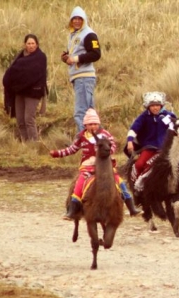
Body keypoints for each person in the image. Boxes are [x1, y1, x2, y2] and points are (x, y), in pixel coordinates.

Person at [49, 108, 141, 220]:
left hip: (105, 166)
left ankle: (131, 208)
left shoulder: (105, 134)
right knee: (79, 185)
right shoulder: (81, 136)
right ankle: (72, 211)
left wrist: (107, 151)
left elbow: (113, 146)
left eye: (95, 124)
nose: (93, 126)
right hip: (88, 167)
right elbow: (72, 149)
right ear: (85, 125)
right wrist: (57, 154)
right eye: (90, 124)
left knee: (121, 183)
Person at [124, 92, 177, 188]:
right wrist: (130, 141)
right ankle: (137, 185)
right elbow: (133, 129)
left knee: (176, 167)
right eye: (152, 105)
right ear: (148, 106)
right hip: (149, 148)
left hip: (165, 149)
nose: (155, 108)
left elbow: (177, 128)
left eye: (157, 105)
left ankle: (176, 187)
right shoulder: (143, 117)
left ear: (161, 105)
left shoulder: (169, 116)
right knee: (139, 165)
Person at [61, 6, 101, 134]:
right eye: (74, 19)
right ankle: (98, 142)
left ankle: (84, 143)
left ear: (84, 20)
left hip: (84, 76)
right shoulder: (74, 35)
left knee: (81, 113)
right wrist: (67, 57)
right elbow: (77, 52)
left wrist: (75, 59)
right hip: (78, 76)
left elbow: (96, 54)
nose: (77, 21)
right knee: (90, 113)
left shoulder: (89, 34)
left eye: (80, 19)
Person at [2, 34, 47, 142]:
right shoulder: (20, 57)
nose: (31, 46)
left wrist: (22, 83)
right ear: (25, 45)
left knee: (29, 119)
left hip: (33, 92)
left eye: (33, 43)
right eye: (28, 43)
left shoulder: (40, 57)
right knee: (20, 120)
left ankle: (34, 145)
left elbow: (36, 75)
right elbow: (12, 72)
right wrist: (12, 86)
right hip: (20, 92)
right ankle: (25, 145)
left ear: (37, 44)